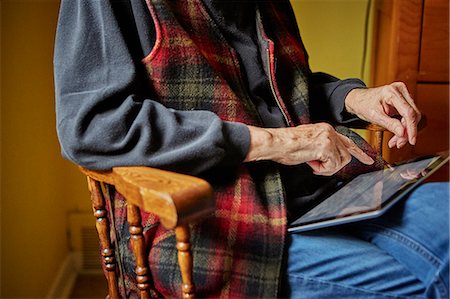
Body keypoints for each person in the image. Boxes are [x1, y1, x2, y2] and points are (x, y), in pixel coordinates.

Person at [54, 0, 448, 298]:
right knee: (416, 284)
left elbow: (284, 91)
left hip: (325, 194)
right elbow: (93, 125)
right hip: (215, 223)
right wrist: (274, 142)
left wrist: (353, 98)